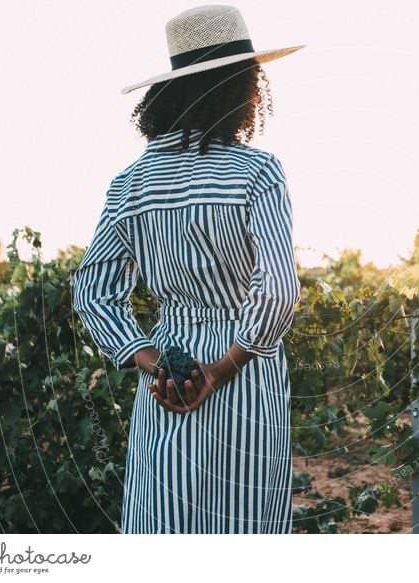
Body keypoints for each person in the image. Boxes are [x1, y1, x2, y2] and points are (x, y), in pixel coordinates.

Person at [72, 5, 305, 533]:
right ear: (244, 86)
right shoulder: (256, 172)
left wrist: (158, 368)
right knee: (244, 519)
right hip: (244, 369)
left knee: (166, 517)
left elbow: (93, 292)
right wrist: (220, 371)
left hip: (167, 370)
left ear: (171, 91)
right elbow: (276, 291)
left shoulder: (130, 183)